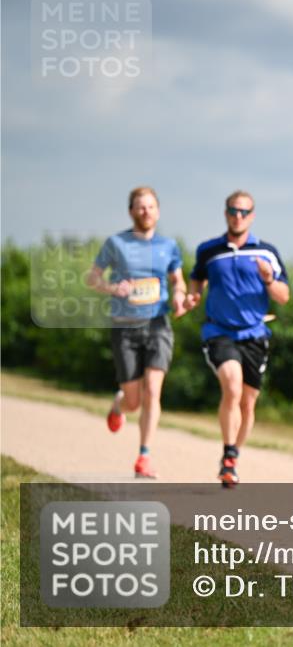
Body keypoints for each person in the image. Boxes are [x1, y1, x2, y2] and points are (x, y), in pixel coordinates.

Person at [185, 190, 290, 488]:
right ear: (226, 213)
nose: (238, 216)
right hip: (218, 331)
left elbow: (284, 297)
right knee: (231, 384)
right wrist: (192, 296)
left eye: (244, 212)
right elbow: (196, 280)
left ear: (252, 216)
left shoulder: (266, 252)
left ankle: (232, 458)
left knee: (247, 403)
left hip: (255, 334)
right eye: (233, 210)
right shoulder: (209, 250)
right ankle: (228, 453)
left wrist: (269, 279)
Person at [87, 186, 188, 479]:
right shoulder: (116, 243)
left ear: (158, 211)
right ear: (131, 211)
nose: (146, 212)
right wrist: (111, 287)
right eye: (140, 207)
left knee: (154, 390)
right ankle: (119, 403)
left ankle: (144, 455)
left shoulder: (169, 246)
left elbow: (177, 281)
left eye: (151, 207)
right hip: (124, 328)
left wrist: (180, 297)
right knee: (135, 401)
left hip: (158, 324)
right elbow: (92, 277)